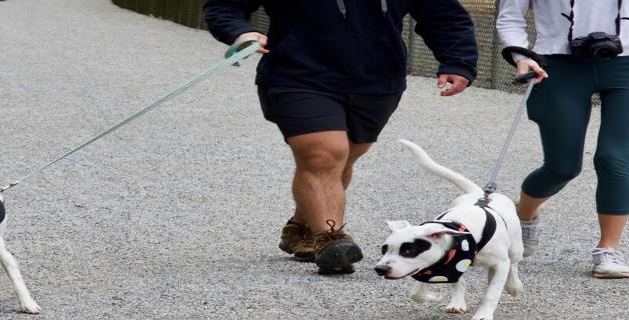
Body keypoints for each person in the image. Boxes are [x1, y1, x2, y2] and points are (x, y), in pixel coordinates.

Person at [203, 1, 479, 274]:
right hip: (297, 74)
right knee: (323, 155)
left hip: (378, 80)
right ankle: (330, 239)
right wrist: (241, 32)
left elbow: (443, 14)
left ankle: (302, 226)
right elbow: (224, 5)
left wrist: (457, 60)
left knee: (343, 158)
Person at [497, 0, 629, 279]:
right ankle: (524, 215)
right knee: (562, 166)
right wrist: (521, 56)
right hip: (557, 65)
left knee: (613, 157)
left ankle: (608, 250)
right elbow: (509, 17)